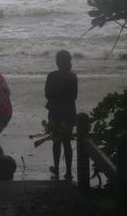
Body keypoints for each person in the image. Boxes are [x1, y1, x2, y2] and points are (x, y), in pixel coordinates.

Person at [45, 50, 77, 181]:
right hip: (69, 111)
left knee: (56, 141)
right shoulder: (72, 77)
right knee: (67, 142)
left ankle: (57, 168)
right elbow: (74, 97)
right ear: (69, 61)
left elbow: (47, 94)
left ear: (57, 62)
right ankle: (69, 171)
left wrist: (55, 95)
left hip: (55, 111)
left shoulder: (51, 76)